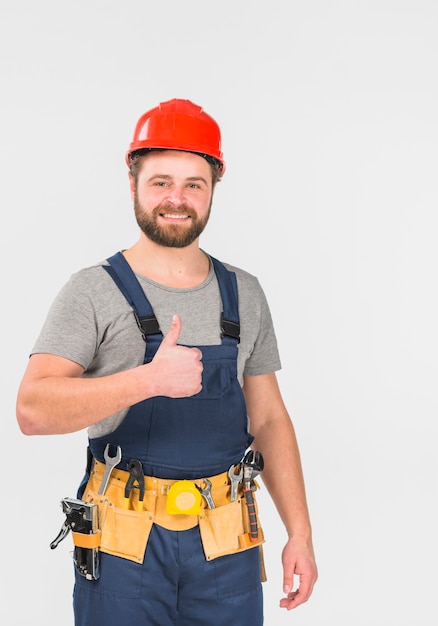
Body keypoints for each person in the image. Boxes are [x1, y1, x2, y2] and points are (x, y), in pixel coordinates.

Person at [16, 98, 317, 625]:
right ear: (132, 181)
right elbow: (32, 410)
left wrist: (300, 532)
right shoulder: (92, 291)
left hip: (227, 540)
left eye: (193, 184)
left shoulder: (244, 293)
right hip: (123, 542)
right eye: (160, 182)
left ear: (212, 190)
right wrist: (144, 381)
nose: (176, 199)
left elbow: (269, 419)